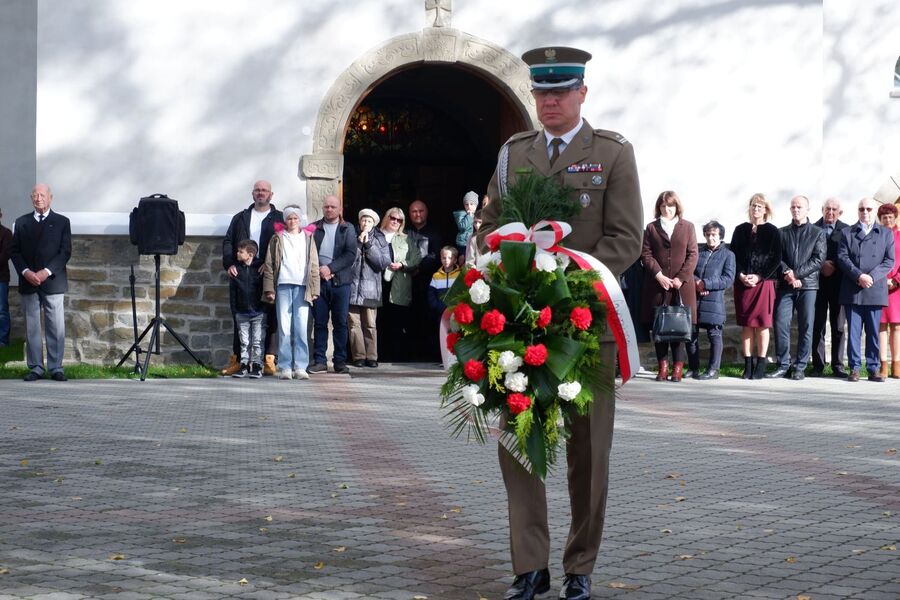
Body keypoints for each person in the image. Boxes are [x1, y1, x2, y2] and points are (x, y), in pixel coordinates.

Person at [479, 46, 643, 600]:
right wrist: (500, 257)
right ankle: (529, 567)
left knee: (587, 455)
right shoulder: (512, 153)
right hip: (518, 327)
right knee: (520, 447)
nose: (549, 101)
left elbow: (625, 239)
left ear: (581, 94)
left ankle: (580, 566)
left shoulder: (613, 154)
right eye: (541, 93)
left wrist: (567, 281)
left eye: (560, 92)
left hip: (585, 324)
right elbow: (490, 224)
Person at [11, 183, 72, 381]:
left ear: (50, 197)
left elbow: (65, 252)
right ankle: (36, 367)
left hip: (53, 281)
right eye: (35, 195)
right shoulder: (21, 223)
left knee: (56, 326)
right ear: (31, 199)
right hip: (29, 282)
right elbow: (15, 252)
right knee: (33, 327)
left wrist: (46, 272)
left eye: (42, 195)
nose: (39, 198)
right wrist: (26, 272)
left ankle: (56, 368)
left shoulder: (62, 222)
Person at [222, 180, 283, 376]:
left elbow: (284, 243)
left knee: (268, 317)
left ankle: (268, 359)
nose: (260, 193)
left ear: (271, 195)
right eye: (257, 190)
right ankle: (239, 360)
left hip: (266, 273)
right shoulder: (240, 218)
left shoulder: (279, 218)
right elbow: (228, 241)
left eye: (264, 190)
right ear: (252, 194)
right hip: (242, 273)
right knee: (240, 316)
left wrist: (270, 263)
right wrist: (230, 263)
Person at [640, 191, 698, 383]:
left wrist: (681, 278)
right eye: (663, 206)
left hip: (681, 286)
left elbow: (693, 255)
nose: (667, 209)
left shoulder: (687, 227)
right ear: (659, 208)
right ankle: (663, 366)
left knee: (679, 327)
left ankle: (678, 368)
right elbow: (646, 254)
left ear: (677, 207)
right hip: (658, 285)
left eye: (670, 206)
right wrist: (658, 275)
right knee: (661, 326)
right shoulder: (651, 228)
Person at [837, 197, 895, 382]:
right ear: (858, 211)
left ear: (874, 210)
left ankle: (873, 368)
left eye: (869, 209)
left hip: (875, 288)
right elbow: (842, 257)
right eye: (861, 209)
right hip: (853, 288)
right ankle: (854, 368)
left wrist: (871, 277)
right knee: (853, 332)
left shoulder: (885, 233)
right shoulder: (847, 232)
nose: (865, 212)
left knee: (873, 332)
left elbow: (889, 261)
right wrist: (859, 276)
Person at [768, 195, 826, 380]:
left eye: (799, 207)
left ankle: (800, 366)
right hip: (786, 286)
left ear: (808, 209)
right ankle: (783, 365)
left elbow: (818, 259)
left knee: (806, 326)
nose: (796, 210)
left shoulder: (818, 233)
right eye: (793, 207)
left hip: (808, 286)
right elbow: (775, 257)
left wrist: (797, 274)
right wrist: (788, 274)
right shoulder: (781, 232)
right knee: (780, 323)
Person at [263, 205, 320, 380]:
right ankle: (285, 366)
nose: (292, 221)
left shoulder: (308, 237)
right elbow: (270, 263)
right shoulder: (278, 238)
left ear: (300, 220)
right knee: (285, 327)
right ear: (285, 220)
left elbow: (314, 264)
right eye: (289, 218)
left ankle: (301, 366)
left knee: (302, 327)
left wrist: (315, 288)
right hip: (283, 285)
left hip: (302, 286)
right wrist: (269, 289)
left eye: (295, 218)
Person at [730, 193, 782, 380]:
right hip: (743, 284)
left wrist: (759, 276)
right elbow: (733, 255)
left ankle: (761, 363)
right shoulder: (739, 230)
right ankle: (748, 365)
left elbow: (776, 259)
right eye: (753, 206)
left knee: (762, 325)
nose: (756, 209)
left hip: (764, 283)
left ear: (766, 210)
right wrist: (741, 275)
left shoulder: (772, 231)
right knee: (746, 325)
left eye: (760, 206)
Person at [309, 195, 357, 375]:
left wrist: (330, 268)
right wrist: (320, 271)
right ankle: (320, 361)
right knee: (320, 323)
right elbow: (308, 252)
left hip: (341, 282)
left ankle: (340, 361)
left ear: (340, 209)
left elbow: (350, 254)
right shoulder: (314, 228)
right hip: (319, 282)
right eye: (326, 207)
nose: (329, 209)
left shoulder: (348, 228)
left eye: (333, 207)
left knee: (340, 323)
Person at [687, 220, 735, 380]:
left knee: (714, 334)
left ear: (720, 236)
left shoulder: (728, 255)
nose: (710, 238)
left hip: (714, 301)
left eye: (713, 235)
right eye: (707, 235)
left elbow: (727, 279)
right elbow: (689, 271)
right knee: (691, 335)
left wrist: (706, 284)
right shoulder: (698, 252)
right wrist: (697, 283)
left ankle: (713, 370)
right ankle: (693, 368)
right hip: (695, 299)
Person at [377, 207, 422, 362]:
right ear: (386, 218)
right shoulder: (376, 235)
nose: (395, 221)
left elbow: (416, 257)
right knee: (377, 320)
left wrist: (403, 264)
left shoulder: (405, 238)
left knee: (397, 321)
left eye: (399, 220)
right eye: (393, 218)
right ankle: (377, 355)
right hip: (377, 283)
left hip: (399, 284)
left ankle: (395, 356)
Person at [811, 198, 849, 377]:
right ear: (822, 210)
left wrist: (833, 264)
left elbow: (850, 256)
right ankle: (818, 365)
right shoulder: (812, 228)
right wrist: (821, 265)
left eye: (834, 210)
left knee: (838, 326)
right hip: (817, 284)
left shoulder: (847, 230)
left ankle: (838, 365)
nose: (830, 212)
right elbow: (807, 254)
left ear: (839, 212)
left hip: (839, 283)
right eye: (827, 209)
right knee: (817, 325)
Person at [348, 208, 391, 368]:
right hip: (352, 288)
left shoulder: (380, 239)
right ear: (359, 222)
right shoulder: (352, 237)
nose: (365, 223)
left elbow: (382, 263)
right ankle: (358, 356)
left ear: (374, 224)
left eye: (369, 221)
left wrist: (368, 244)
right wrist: (359, 243)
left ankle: (372, 357)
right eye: (363, 220)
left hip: (371, 290)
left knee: (370, 324)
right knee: (354, 325)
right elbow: (348, 260)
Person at [406, 199, 442, 361]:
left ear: (426, 212)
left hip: (427, 283)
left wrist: (419, 268)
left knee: (428, 319)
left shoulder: (435, 232)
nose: (417, 214)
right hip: (407, 283)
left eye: (420, 211)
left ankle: (429, 355)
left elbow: (436, 255)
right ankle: (410, 354)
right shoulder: (405, 231)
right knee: (409, 320)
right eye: (414, 211)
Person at [229, 240, 265, 378]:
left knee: (257, 341)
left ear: (250, 254)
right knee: (244, 342)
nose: (237, 254)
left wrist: (264, 309)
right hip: (242, 312)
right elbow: (233, 292)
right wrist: (235, 311)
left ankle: (257, 366)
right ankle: (243, 365)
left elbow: (265, 289)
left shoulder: (260, 269)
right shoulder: (236, 270)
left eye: (240, 252)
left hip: (258, 312)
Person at [876, 202, 900, 378]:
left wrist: (897, 280)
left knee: (897, 327)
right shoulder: (875, 238)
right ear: (880, 220)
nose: (888, 221)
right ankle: (883, 363)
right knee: (881, 326)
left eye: (890, 217)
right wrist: (882, 279)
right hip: (880, 286)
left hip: (897, 288)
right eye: (884, 218)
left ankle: (896, 364)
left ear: (895, 218)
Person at [427, 245, 460, 320]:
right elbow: (431, 293)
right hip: (440, 312)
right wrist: (436, 306)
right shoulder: (436, 276)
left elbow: (462, 292)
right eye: (444, 258)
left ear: (455, 260)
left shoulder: (459, 275)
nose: (446, 260)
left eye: (450, 258)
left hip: (456, 312)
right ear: (441, 259)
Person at [0, 208, 13, 347]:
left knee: (1, 310)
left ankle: (2, 339)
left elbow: (5, 256)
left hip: (1, 278)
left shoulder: (6, 233)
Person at [453, 191, 479, 257]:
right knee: (464, 259)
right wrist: (469, 216)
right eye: (466, 204)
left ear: (476, 205)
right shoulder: (461, 214)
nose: (469, 206)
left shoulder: (478, 214)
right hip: (464, 243)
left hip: (473, 242)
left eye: (471, 204)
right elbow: (462, 227)